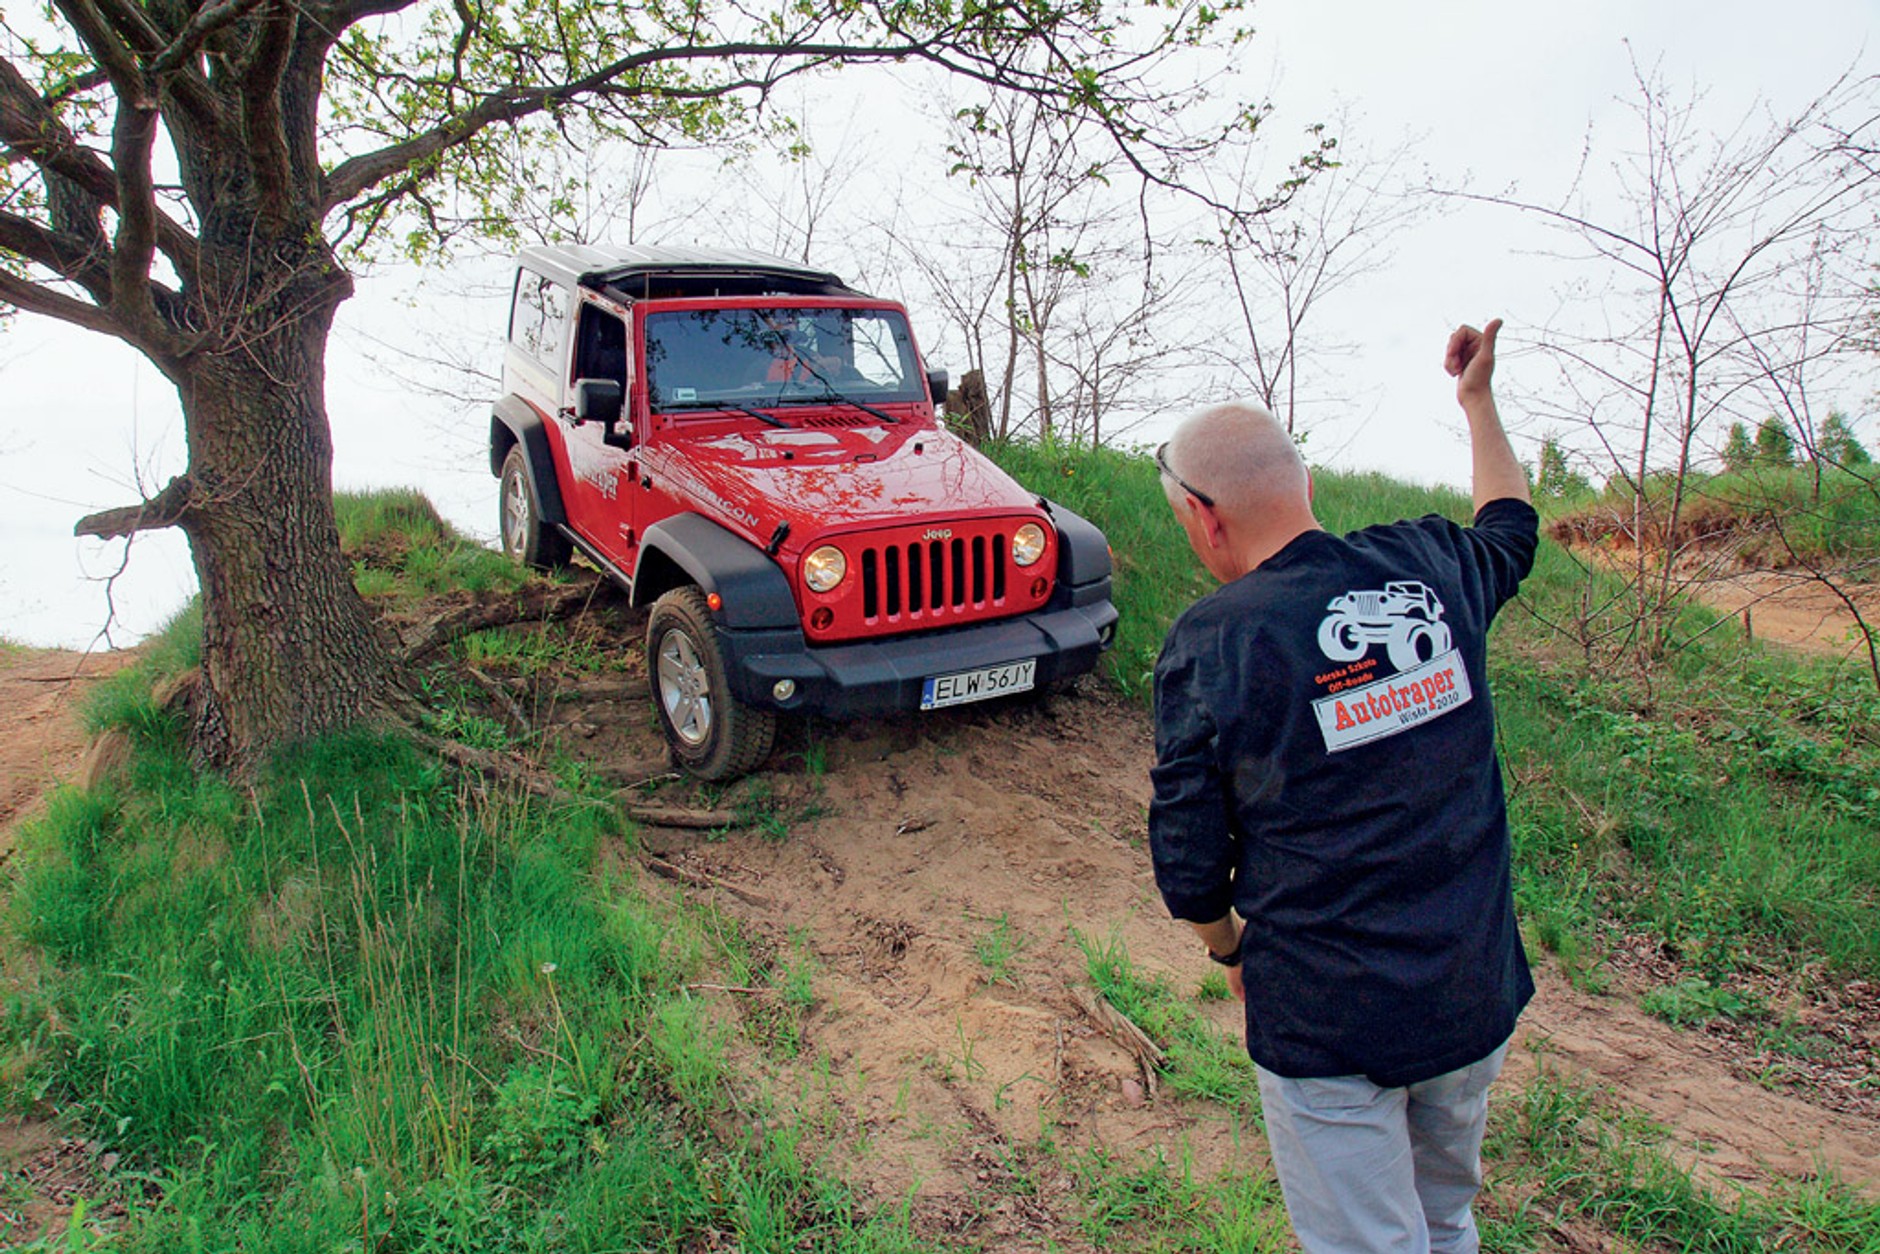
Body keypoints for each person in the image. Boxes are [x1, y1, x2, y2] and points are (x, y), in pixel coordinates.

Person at [1148, 319, 1538, 1254]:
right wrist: (1478, 403)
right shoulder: (1432, 566)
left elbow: (1189, 860)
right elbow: (1511, 526)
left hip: (1326, 1021)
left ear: (1202, 515)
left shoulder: (1215, 640)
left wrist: (1226, 951)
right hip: (1469, 987)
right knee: (1444, 1221)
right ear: (1307, 484)